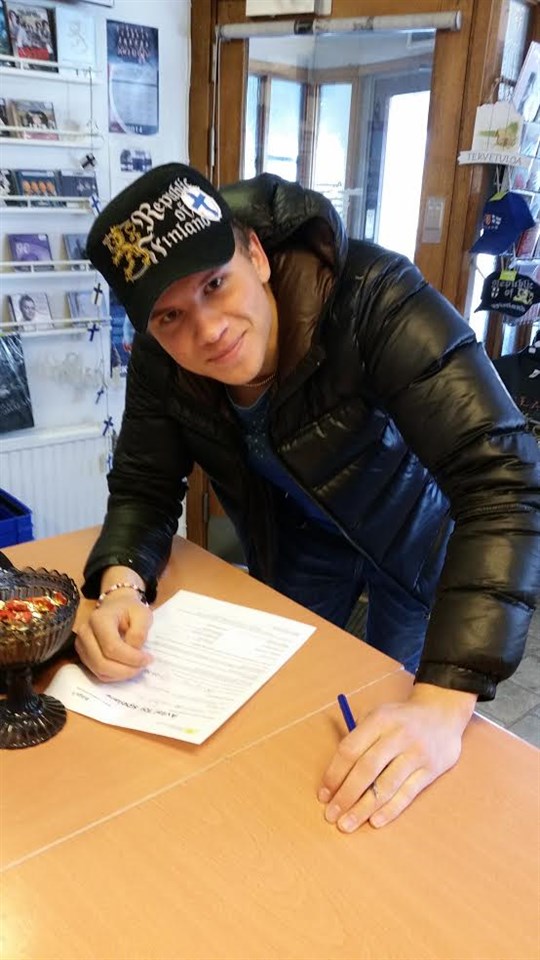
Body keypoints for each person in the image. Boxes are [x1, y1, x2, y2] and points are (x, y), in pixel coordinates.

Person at [78, 162, 540, 833]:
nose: (208, 331)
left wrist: (442, 704)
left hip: (417, 538)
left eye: (215, 284)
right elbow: (145, 486)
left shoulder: (374, 297)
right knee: (292, 720)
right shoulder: (161, 360)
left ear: (256, 254)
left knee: (405, 734)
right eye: (171, 316)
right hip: (297, 543)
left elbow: (504, 480)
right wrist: (121, 587)